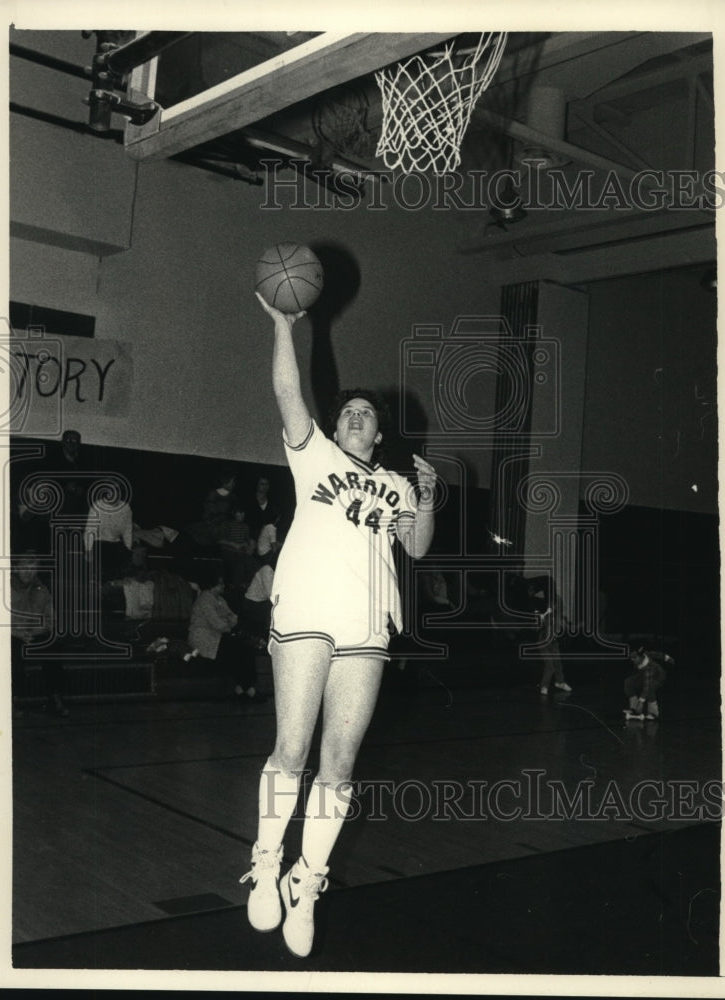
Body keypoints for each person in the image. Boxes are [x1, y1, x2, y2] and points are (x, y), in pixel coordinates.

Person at [239, 293, 437, 958]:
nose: (355, 417)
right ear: (336, 427)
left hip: (365, 621)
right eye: (348, 412)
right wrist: (282, 326)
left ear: (378, 435)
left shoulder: (397, 486)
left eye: (366, 415)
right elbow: (286, 391)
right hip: (306, 609)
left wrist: (427, 498)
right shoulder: (314, 455)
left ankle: (306, 881)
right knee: (292, 748)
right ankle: (267, 859)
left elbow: (417, 548)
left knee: (340, 764)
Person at [187, 569, 261, 702]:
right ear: (212, 585)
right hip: (204, 640)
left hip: (217, 636)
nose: (223, 586)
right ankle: (247, 689)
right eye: (220, 584)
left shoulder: (220, 599)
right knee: (238, 649)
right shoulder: (204, 600)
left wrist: (227, 623)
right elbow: (217, 623)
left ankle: (244, 688)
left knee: (245, 648)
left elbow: (233, 618)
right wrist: (228, 624)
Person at [10, 552, 68, 717]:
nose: (28, 571)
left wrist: (36, 631)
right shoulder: (5, 587)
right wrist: (17, 632)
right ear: (16, 569)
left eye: (32, 567)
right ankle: (11, 700)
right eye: (24, 567)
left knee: (53, 646)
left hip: (33, 633)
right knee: (12, 651)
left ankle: (54, 698)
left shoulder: (42, 589)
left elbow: (51, 619)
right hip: (12, 634)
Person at [526, 575, 572, 696]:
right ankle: (544, 686)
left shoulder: (557, 600)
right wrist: (540, 621)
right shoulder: (538, 604)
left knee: (558, 663)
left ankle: (560, 682)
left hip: (554, 641)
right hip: (543, 642)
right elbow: (535, 628)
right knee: (550, 666)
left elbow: (559, 618)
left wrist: (563, 623)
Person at [624, 647, 673, 720]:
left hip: (657, 678)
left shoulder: (649, 668)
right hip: (644, 675)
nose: (632, 660)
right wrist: (667, 658)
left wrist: (641, 701)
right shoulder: (645, 654)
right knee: (629, 682)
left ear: (641, 658)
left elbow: (646, 686)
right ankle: (634, 708)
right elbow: (657, 654)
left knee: (650, 687)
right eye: (631, 657)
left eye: (634, 658)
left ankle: (653, 713)